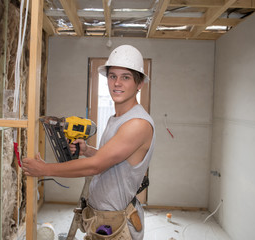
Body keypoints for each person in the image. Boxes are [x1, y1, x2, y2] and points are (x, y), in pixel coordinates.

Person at [22, 45, 156, 240]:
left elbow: (96, 166)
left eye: (125, 77)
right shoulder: (117, 118)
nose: (117, 83)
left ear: (139, 83)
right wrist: (88, 151)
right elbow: (110, 160)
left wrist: (44, 169)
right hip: (102, 218)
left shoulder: (137, 124)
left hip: (115, 223)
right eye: (112, 76)